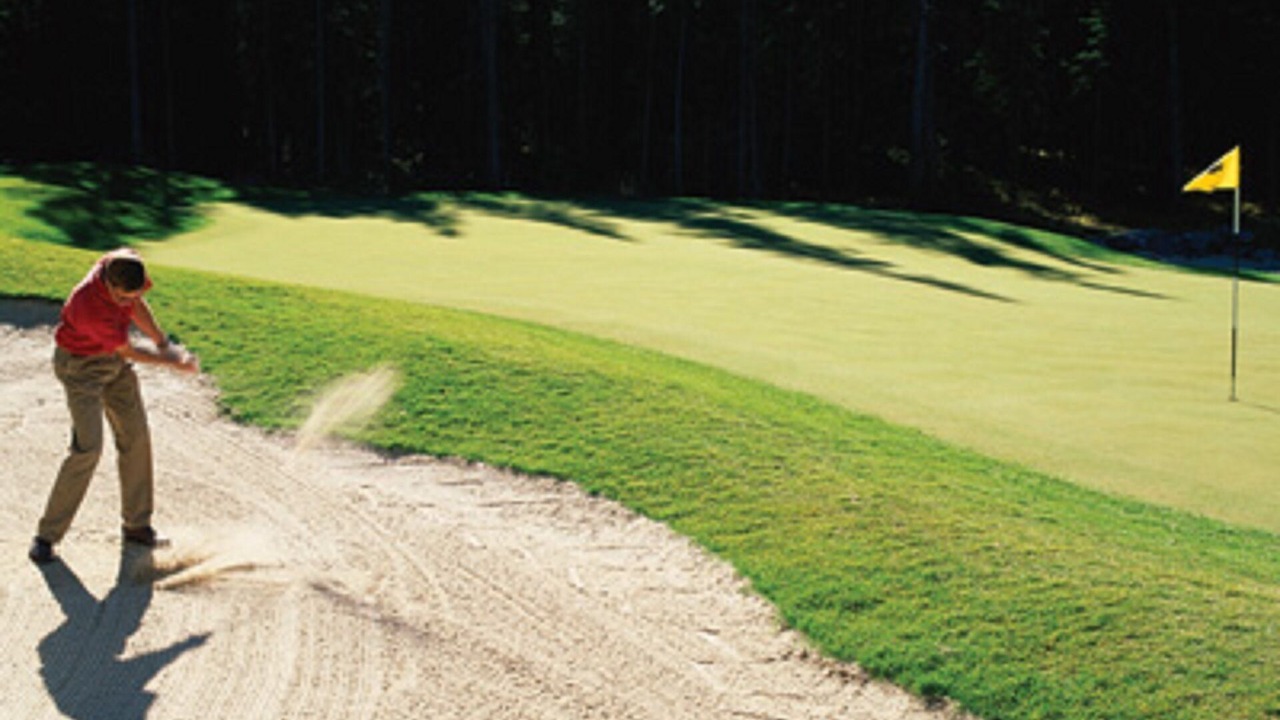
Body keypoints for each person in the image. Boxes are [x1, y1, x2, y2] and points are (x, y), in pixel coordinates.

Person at [29, 248, 199, 564]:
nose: (126, 303)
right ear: (108, 285)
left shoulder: (123, 264)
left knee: (136, 439)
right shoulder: (86, 306)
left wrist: (162, 340)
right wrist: (173, 360)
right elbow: (129, 351)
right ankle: (46, 536)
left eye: (130, 296)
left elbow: (136, 305)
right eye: (121, 298)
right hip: (80, 369)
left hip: (114, 366)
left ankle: (137, 525)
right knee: (88, 448)